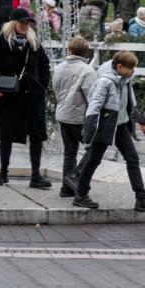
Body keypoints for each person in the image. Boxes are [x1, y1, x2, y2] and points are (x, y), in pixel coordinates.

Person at [0, 7, 52, 188]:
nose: (25, 26)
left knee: (36, 135)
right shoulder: (0, 43)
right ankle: (3, 172)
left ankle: (36, 175)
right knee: (6, 135)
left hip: (33, 97)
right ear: (13, 24)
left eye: (28, 23)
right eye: (22, 22)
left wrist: (41, 85)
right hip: (9, 97)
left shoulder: (34, 44)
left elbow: (44, 66)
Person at [69, 50, 143, 211]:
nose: (133, 71)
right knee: (93, 160)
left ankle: (141, 198)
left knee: (132, 159)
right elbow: (94, 106)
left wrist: (140, 120)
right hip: (105, 125)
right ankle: (80, 195)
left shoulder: (126, 79)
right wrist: (89, 131)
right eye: (130, 68)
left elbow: (130, 102)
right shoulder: (105, 82)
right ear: (120, 66)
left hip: (121, 124)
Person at [51, 36, 98, 199]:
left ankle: (66, 189)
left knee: (69, 153)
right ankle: (75, 177)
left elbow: (55, 89)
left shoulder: (59, 67)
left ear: (69, 50)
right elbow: (92, 96)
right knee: (94, 149)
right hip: (79, 117)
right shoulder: (88, 71)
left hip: (63, 114)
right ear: (85, 53)